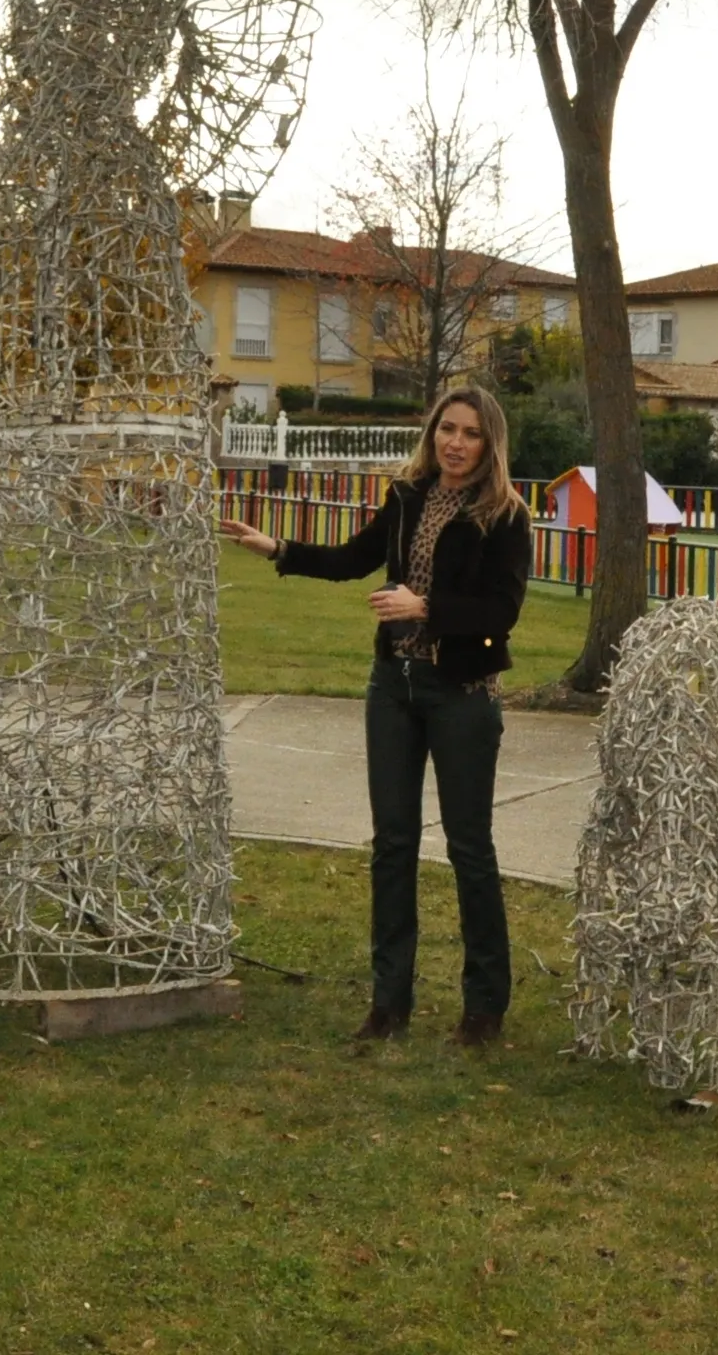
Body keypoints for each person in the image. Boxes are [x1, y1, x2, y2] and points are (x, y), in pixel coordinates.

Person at [220, 386, 534, 1047]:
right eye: (446, 429)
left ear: (489, 443)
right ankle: (388, 1005)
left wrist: (426, 609)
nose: (454, 442)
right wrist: (276, 548)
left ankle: (484, 1010)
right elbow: (351, 560)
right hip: (394, 687)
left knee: (469, 848)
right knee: (392, 846)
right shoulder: (407, 498)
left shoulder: (505, 515)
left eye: (470, 433)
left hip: (463, 694)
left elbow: (502, 612)